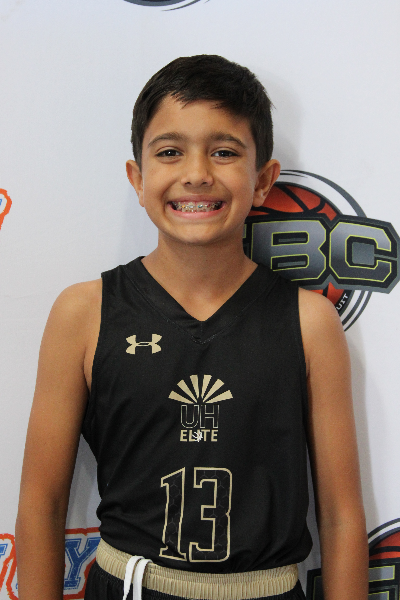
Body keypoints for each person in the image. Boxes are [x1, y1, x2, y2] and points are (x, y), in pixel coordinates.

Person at [15, 55, 369, 600]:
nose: (197, 173)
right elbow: (41, 504)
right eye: (169, 152)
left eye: (224, 152)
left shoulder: (309, 321)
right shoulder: (83, 313)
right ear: (137, 178)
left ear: (263, 180)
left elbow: (341, 516)